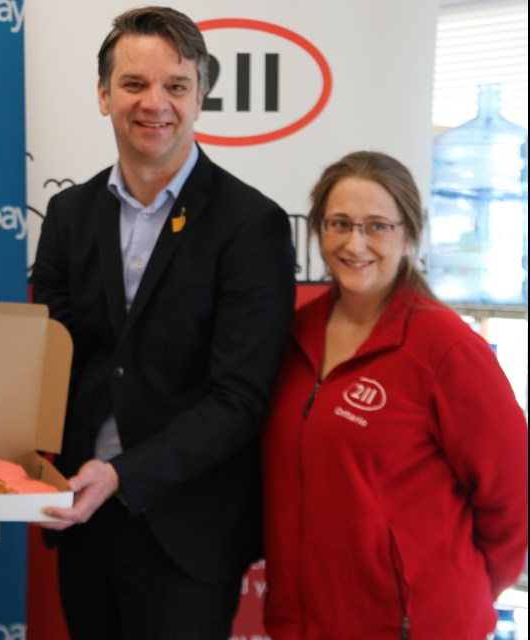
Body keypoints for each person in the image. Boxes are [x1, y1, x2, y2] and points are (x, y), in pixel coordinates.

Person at [30, 7, 296, 639]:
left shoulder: (250, 225)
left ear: (201, 95)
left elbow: (239, 398)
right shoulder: (67, 214)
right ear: (103, 95)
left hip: (186, 531)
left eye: (176, 85)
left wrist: (125, 473)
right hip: (83, 518)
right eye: (133, 84)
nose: (155, 103)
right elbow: (50, 363)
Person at [261, 151, 529, 639]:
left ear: (409, 234)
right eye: (338, 223)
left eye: (377, 226)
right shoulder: (295, 333)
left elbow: (514, 496)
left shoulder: (447, 349)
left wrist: (451, 593)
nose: (354, 243)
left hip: (413, 626)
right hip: (303, 623)